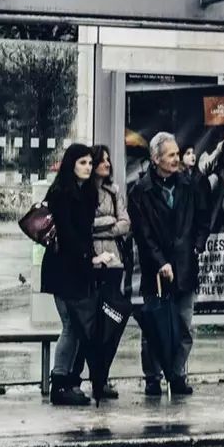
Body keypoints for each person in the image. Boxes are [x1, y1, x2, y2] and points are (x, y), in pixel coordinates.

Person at [128, 131, 212, 397]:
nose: (177, 159)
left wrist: (198, 245)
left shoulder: (189, 184)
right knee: (154, 325)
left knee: (184, 325)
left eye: (177, 154)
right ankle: (152, 377)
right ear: (156, 159)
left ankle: (176, 375)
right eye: (171, 155)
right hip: (157, 270)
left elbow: (203, 219)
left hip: (185, 265)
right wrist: (161, 262)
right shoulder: (141, 191)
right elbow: (143, 234)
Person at [41, 143, 98, 407]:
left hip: (77, 268)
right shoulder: (62, 193)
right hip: (63, 268)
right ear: (71, 164)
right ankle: (60, 382)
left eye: (89, 163)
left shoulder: (85, 192)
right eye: (82, 163)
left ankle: (66, 380)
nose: (88, 167)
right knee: (71, 325)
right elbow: (68, 233)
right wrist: (90, 256)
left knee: (75, 326)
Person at [88, 143, 131, 400]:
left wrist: (102, 227)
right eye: (102, 160)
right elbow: (83, 226)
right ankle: (92, 377)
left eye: (108, 160)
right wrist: (108, 222)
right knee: (92, 323)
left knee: (113, 321)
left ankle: (102, 377)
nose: (107, 164)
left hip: (114, 263)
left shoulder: (114, 192)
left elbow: (125, 224)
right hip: (92, 262)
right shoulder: (84, 192)